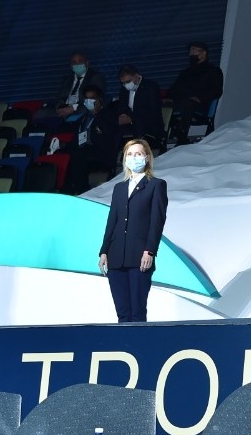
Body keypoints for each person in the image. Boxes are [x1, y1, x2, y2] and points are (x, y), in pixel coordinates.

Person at [98, 139, 168, 322]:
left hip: (139, 256)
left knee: (137, 312)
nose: (133, 157)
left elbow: (157, 221)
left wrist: (150, 250)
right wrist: (104, 250)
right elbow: (112, 220)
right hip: (116, 256)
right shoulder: (119, 188)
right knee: (122, 313)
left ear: (147, 157)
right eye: (129, 154)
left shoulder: (156, 185)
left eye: (138, 154)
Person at [62, 85, 120, 194]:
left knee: (78, 155)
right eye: (86, 99)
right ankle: (65, 191)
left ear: (99, 100)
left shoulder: (108, 116)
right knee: (68, 154)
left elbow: (109, 136)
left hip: (101, 154)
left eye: (92, 98)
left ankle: (82, 191)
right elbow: (75, 140)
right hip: (84, 152)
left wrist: (96, 114)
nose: (89, 102)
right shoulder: (83, 119)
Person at [164, 41, 223, 145]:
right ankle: (159, 137)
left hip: (200, 105)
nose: (191, 53)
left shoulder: (213, 71)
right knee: (161, 104)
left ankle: (182, 137)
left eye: (194, 50)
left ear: (204, 53)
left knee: (187, 104)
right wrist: (168, 98)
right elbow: (174, 89)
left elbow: (216, 90)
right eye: (190, 51)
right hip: (181, 102)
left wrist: (199, 98)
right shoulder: (186, 72)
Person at [116, 65, 164, 145]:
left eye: (128, 82)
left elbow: (153, 112)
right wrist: (123, 115)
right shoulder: (123, 90)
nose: (126, 85)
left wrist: (131, 119)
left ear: (136, 76)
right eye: (123, 83)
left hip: (149, 124)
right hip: (132, 124)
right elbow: (122, 106)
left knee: (139, 125)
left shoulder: (150, 87)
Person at [53, 52, 107, 119]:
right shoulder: (67, 79)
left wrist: (73, 108)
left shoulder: (96, 77)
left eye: (80, 61)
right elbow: (60, 97)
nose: (77, 64)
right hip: (65, 108)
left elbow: (94, 99)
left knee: (80, 113)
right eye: (74, 62)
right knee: (43, 113)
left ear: (87, 63)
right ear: (71, 66)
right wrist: (59, 107)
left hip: (82, 109)